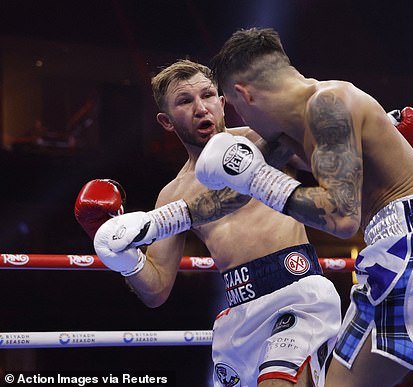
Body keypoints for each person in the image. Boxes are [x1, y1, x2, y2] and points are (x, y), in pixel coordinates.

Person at [195, 27, 413, 386]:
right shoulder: (311, 119)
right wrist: (154, 224)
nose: (243, 124)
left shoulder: (325, 105)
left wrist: (256, 177)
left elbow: (340, 216)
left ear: (243, 95)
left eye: (236, 109)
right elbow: (228, 198)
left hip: (411, 250)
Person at [74, 59, 342, 387]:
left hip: (297, 295)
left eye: (208, 95)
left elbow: (333, 156)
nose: (201, 108)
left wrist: (381, 136)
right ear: (167, 120)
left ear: (222, 102)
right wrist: (122, 257)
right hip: (240, 313)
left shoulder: (266, 141)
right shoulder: (173, 194)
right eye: (185, 101)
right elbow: (156, 289)